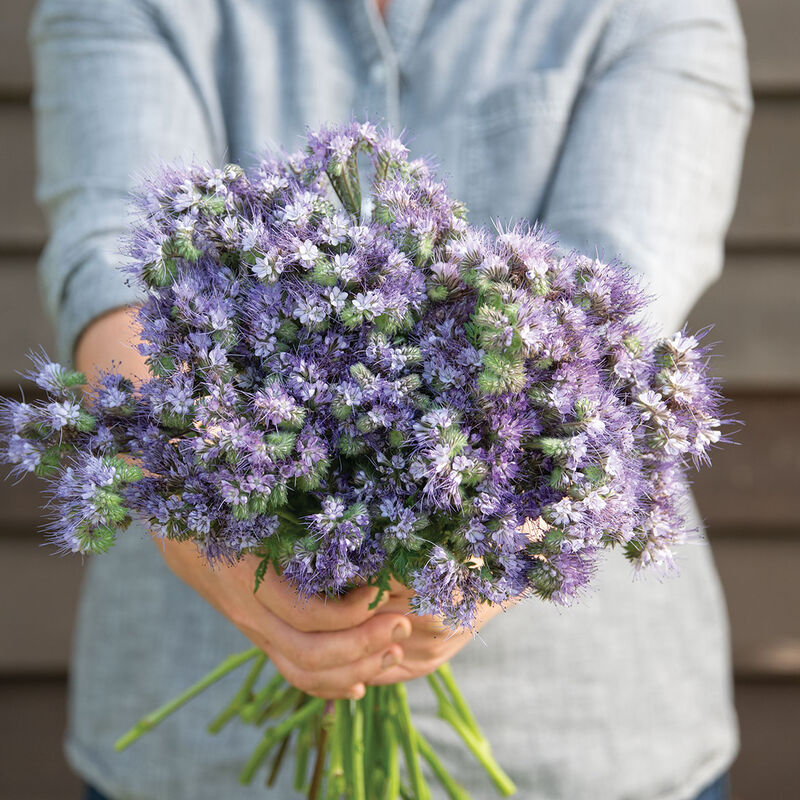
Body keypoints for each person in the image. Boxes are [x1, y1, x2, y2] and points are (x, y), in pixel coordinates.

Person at [29, 0, 752, 798]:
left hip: (587, 746)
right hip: (197, 763)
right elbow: (112, 257)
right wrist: (188, 463)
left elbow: (605, 306)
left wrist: (478, 541)